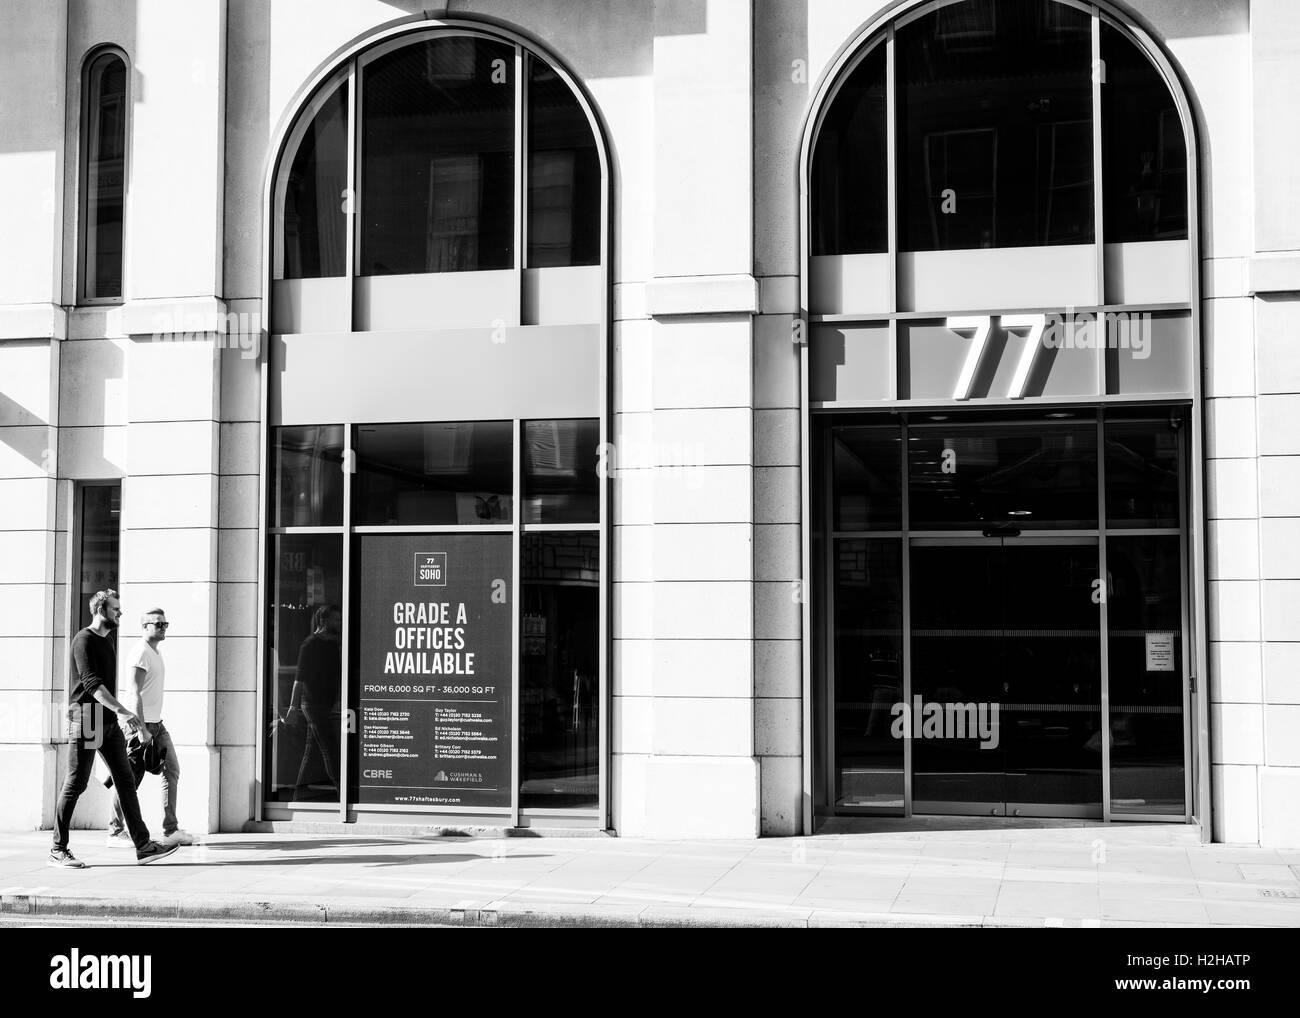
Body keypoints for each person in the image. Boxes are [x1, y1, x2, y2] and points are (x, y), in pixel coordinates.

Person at [50, 590, 180, 867]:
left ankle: (144, 846)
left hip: (108, 723)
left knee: (126, 781)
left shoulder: (107, 640)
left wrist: (117, 715)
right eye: (115, 609)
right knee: (76, 783)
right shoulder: (83, 640)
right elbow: (91, 684)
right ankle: (58, 849)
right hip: (87, 719)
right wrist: (124, 710)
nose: (120, 613)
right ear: (100, 610)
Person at [106, 609, 195, 847]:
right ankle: (115, 831)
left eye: (166, 623)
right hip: (139, 726)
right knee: (130, 779)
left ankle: (171, 829)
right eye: (158, 624)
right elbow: (133, 694)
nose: (163, 627)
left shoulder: (155, 652)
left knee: (172, 769)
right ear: (144, 627)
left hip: (157, 724)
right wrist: (142, 729)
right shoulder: (141, 652)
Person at [284, 604, 342, 798]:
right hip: (312, 703)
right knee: (329, 748)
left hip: (326, 704)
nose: (339, 623)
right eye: (335, 619)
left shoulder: (333, 645)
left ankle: (299, 790)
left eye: (340, 620)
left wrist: (338, 700)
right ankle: (343, 792)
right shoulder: (309, 644)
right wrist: (293, 707)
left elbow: (337, 676)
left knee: (312, 748)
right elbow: (299, 679)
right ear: (324, 621)